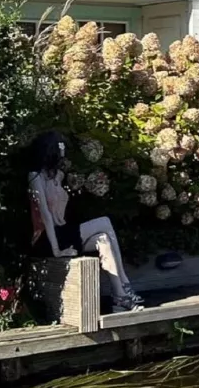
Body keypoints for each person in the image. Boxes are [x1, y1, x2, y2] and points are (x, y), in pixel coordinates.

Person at [28, 131, 142, 311]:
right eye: (60, 146)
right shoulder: (35, 177)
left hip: (64, 231)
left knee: (103, 239)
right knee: (104, 222)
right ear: (50, 149)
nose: (63, 149)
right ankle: (125, 281)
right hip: (46, 238)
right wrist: (57, 250)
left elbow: (59, 212)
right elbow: (45, 215)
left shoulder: (58, 176)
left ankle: (119, 295)